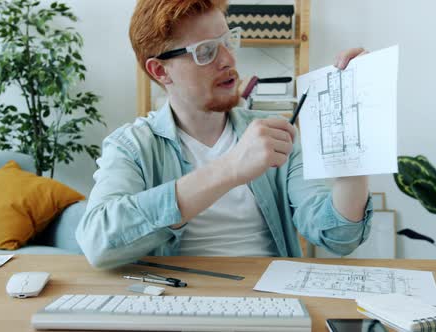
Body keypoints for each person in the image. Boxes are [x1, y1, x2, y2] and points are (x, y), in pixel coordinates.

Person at [76, 0, 373, 269]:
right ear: (160, 71)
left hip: (269, 301)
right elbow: (98, 242)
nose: (228, 60)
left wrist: (353, 137)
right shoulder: (132, 146)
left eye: (228, 41)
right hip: (174, 303)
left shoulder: (274, 134)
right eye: (205, 51)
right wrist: (230, 169)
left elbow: (338, 238)